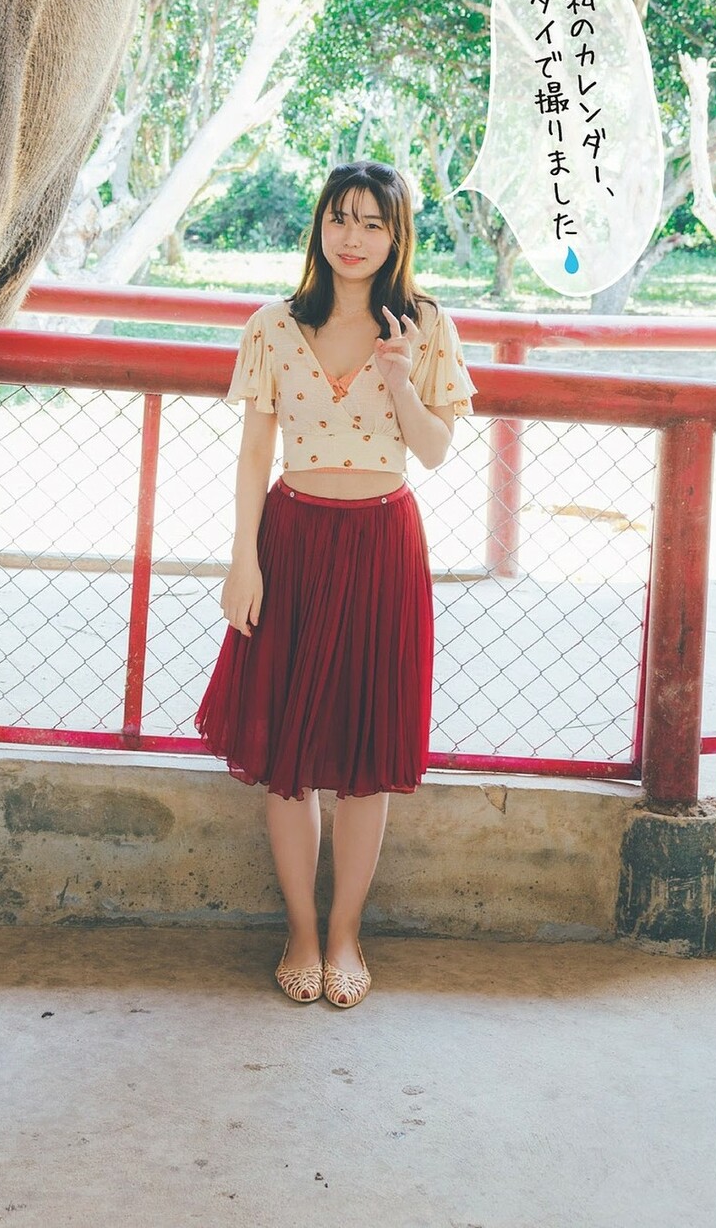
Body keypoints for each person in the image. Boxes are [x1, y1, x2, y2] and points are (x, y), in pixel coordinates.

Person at [195, 161, 476, 1007]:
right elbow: (254, 452)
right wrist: (243, 558)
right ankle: (303, 933)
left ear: (397, 236)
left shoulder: (426, 325)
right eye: (339, 219)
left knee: (365, 759)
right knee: (287, 755)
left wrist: (397, 376)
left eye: (372, 223)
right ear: (319, 227)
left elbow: (435, 451)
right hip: (292, 541)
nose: (353, 238)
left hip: (383, 543)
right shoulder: (274, 325)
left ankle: (348, 933)